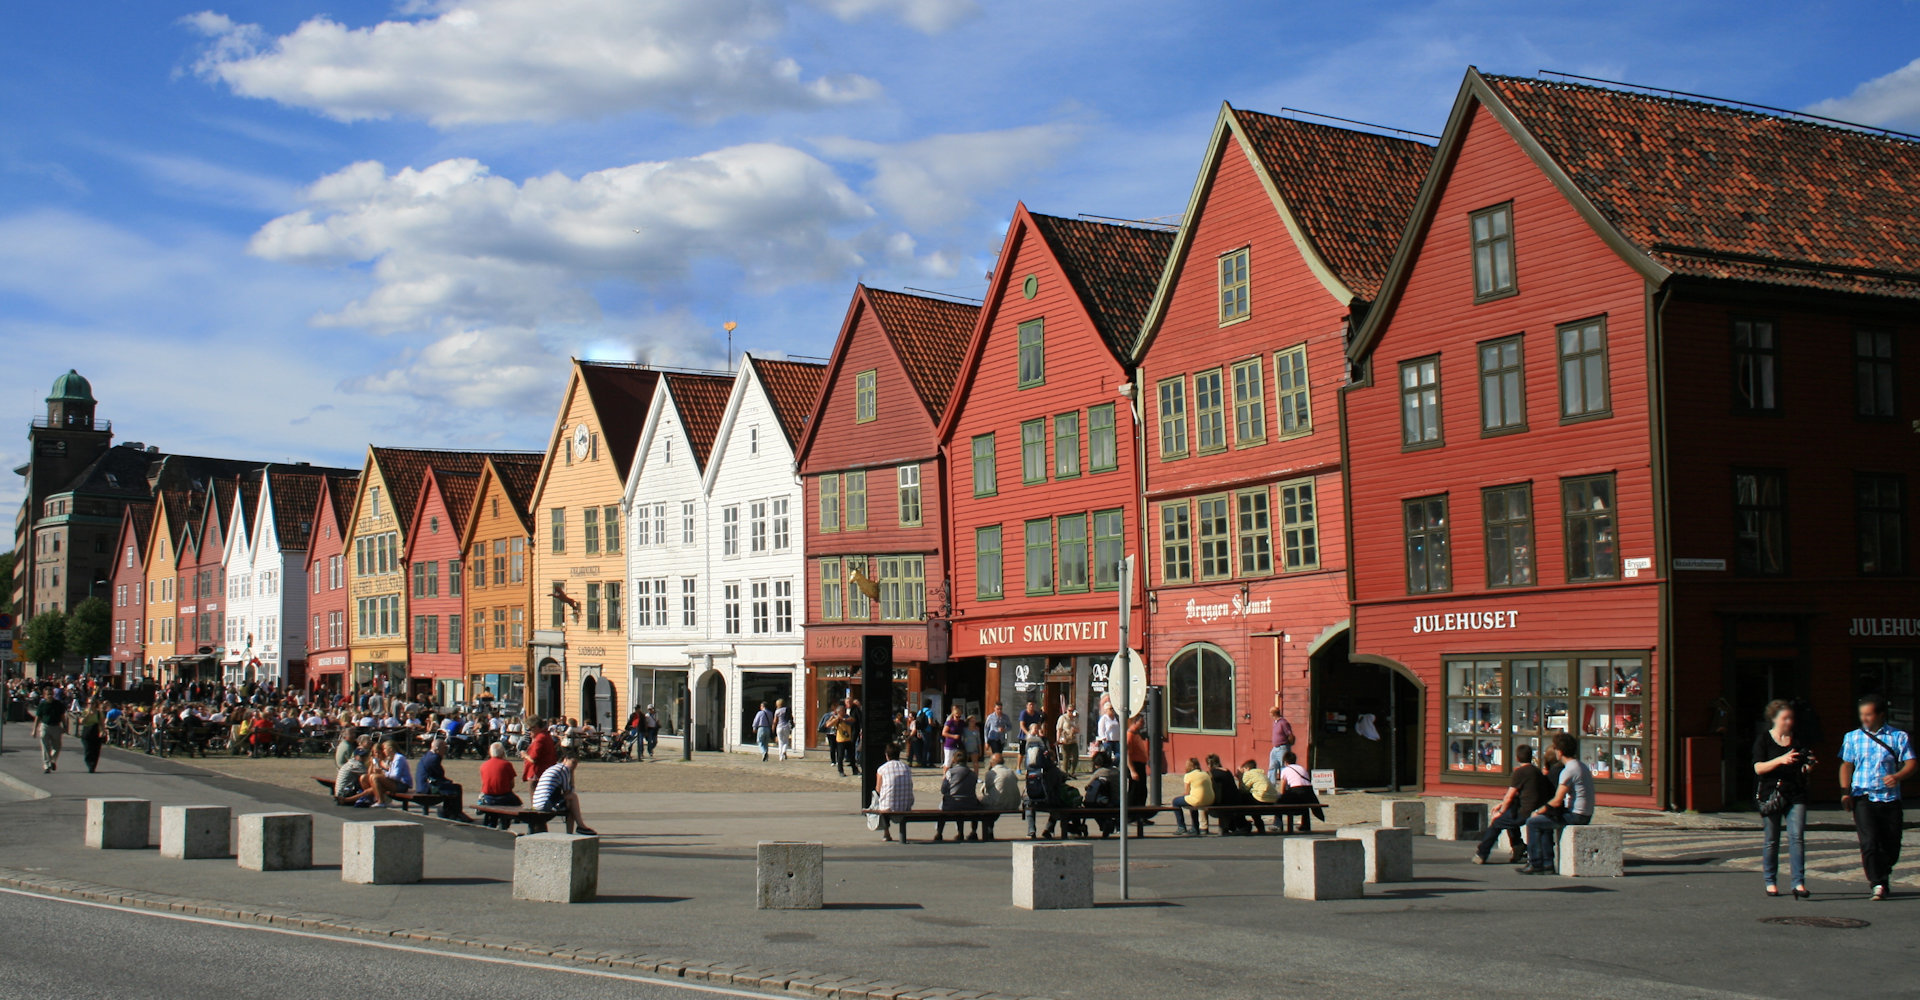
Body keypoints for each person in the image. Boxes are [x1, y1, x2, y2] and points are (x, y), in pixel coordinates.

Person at [1839, 694, 1915, 900]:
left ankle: (1883, 870)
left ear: (1880, 715)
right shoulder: (1852, 737)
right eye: (1862, 715)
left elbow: (1911, 763)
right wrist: (1846, 792)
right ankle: (1878, 883)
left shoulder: (1898, 737)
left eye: (1869, 715)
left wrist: (1897, 776)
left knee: (1891, 845)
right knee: (1870, 842)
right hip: (1863, 796)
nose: (1864, 719)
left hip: (1890, 798)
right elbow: (1846, 765)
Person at [1753, 699, 1813, 898]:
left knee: (1797, 838)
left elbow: (1806, 761)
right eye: (1784, 718)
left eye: (1791, 718)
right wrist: (1780, 760)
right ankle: (1770, 880)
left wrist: (1808, 765)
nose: (1788, 722)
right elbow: (1758, 767)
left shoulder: (1798, 739)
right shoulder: (1764, 739)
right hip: (1771, 793)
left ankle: (1798, 883)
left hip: (1796, 792)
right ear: (1774, 718)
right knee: (1772, 840)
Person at [1521, 733, 1594, 874]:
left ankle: (1536, 863)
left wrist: (1538, 811)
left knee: (1533, 822)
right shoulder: (1581, 766)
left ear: (1559, 752)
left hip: (1576, 815)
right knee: (1546, 820)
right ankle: (1547, 863)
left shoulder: (1569, 770)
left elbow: (1557, 800)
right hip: (1585, 812)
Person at [1475, 744, 1547, 864]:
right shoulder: (1536, 772)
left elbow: (1510, 796)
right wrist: (1502, 805)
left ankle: (1482, 853)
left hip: (1525, 811)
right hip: (1535, 809)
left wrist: (1500, 811)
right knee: (1510, 818)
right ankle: (1518, 846)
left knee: (1497, 823)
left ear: (1517, 758)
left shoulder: (1520, 772)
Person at [531, 747, 595, 835]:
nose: (574, 766)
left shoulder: (554, 768)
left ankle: (578, 829)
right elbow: (568, 791)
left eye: (576, 764)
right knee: (573, 798)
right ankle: (579, 827)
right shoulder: (563, 770)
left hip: (537, 802)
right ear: (565, 760)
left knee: (571, 804)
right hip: (546, 803)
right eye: (573, 762)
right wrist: (572, 776)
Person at [416, 735, 475, 822]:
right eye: (444, 748)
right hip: (428, 787)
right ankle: (456, 813)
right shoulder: (434, 758)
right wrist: (448, 782)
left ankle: (449, 811)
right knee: (456, 788)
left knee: (449, 787)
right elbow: (439, 774)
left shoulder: (428, 755)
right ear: (437, 749)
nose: (445, 750)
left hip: (423, 785)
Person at [871, 744, 915, 842]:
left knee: (880, 800)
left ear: (887, 755)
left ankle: (886, 833)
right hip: (906, 805)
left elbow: (878, 789)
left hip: (888, 806)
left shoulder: (882, 769)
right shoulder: (906, 768)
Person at [937, 751, 983, 842]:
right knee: (976, 804)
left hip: (953, 804)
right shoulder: (973, 774)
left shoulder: (950, 772)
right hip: (970, 804)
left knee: (943, 806)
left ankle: (939, 833)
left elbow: (943, 790)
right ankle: (974, 831)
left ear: (954, 760)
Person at [1274, 752, 1324, 832]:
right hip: (1309, 792)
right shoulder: (1302, 768)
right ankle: (1305, 825)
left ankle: (1277, 825)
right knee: (1304, 804)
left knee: (1277, 802)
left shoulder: (1285, 770)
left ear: (1285, 762)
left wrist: (1281, 797)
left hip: (1297, 790)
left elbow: (1282, 788)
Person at [476, 741, 521, 828]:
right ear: (503, 752)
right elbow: (512, 784)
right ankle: (506, 822)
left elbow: (484, 783)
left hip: (488, 796)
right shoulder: (507, 764)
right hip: (504, 796)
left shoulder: (484, 765)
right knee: (517, 802)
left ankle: (491, 822)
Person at [978, 751, 1021, 841]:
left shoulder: (991, 773)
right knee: (996, 800)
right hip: (1014, 803)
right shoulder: (1011, 771)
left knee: (981, 802)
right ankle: (989, 828)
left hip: (999, 803)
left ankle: (979, 831)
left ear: (992, 762)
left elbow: (986, 790)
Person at [1173, 757, 1216, 836]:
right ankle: (1195, 827)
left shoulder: (1188, 775)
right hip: (1210, 799)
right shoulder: (1205, 773)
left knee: (1175, 802)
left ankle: (1181, 827)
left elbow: (1187, 792)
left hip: (1198, 799)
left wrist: (1181, 796)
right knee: (1192, 801)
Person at [1239, 758, 1278, 835]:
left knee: (1242, 799)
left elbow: (1243, 789)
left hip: (1261, 799)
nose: (1243, 771)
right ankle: (1260, 827)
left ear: (1247, 768)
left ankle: (1244, 825)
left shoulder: (1248, 774)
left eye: (1243, 769)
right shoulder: (1262, 774)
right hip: (1272, 800)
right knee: (1253, 801)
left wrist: (1240, 777)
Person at [31, 690, 65, 773]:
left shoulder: (58, 704)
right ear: (44, 695)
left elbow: (62, 716)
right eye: (48, 694)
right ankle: (46, 765)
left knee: (57, 746)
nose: (49, 696)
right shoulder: (42, 705)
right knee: (45, 747)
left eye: (51, 694)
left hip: (56, 726)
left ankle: (52, 760)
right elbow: (38, 717)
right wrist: (34, 730)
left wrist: (65, 726)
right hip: (45, 726)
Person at [76, 698, 107, 774]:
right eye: (89, 703)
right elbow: (81, 722)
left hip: (95, 732)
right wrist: (88, 714)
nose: (91, 705)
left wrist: (103, 731)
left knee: (96, 750)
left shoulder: (99, 713)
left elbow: (102, 723)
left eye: (92, 703)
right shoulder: (85, 712)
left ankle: (92, 766)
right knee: (88, 749)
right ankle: (89, 763)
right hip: (87, 732)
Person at [522, 718, 557, 785]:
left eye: (530, 729)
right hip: (547, 771)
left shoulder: (540, 738)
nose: (529, 732)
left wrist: (525, 755)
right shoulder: (546, 735)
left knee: (535, 794)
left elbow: (533, 759)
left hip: (537, 773)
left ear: (536, 727)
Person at [1267, 707, 1296, 786]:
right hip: (1275, 748)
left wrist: (1289, 744)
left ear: (1274, 713)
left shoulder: (1283, 722)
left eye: (1270, 713)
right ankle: (1271, 785)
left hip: (1282, 747)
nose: (1269, 714)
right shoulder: (1275, 722)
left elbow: (1289, 734)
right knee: (1272, 766)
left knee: (1283, 766)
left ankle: (1285, 785)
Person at [1056, 708, 1081, 776]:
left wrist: (1074, 730)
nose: (1071, 712)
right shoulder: (1063, 718)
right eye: (1069, 710)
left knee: (1075, 756)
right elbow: (1059, 729)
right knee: (1066, 757)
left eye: (1072, 711)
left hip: (1073, 740)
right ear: (1066, 710)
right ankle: (1065, 773)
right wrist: (1058, 739)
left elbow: (1079, 730)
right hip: (1065, 740)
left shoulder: (1075, 719)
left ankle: (1072, 772)